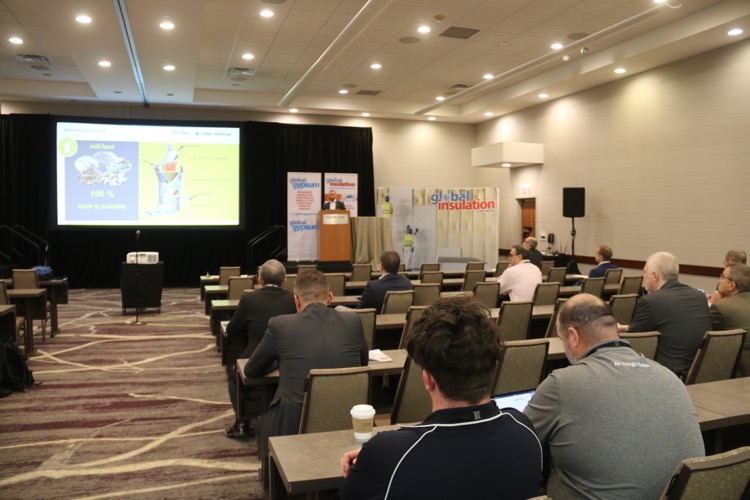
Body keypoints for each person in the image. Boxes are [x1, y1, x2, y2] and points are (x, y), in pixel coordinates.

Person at [340, 296, 543, 499]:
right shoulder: (524, 429)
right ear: (492, 369)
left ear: (428, 380)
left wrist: (375, 460)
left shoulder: (388, 453)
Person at [525, 293, 704, 499]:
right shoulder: (669, 376)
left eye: (562, 338)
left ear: (573, 336)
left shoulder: (561, 384)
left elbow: (518, 444)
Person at [243, 269, 368, 458]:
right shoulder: (353, 321)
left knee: (263, 423)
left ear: (296, 300)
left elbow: (251, 369)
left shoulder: (280, 325)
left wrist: (278, 360)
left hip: (294, 425)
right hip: (349, 418)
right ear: (330, 297)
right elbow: (362, 365)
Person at [223, 259, 296, 438]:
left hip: (258, 358)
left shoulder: (249, 298)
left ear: (260, 279)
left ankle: (241, 422)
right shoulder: (292, 299)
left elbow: (231, 330)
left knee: (234, 375)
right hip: (287, 357)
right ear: (284, 280)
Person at [618, 251, 711, 378]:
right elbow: (674, 326)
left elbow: (634, 341)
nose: (644, 277)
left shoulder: (650, 301)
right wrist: (626, 327)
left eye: (645, 272)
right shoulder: (699, 296)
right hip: (696, 371)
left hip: (667, 374)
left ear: (654, 276)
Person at [709, 262, 750, 377]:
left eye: (722, 277)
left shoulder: (721, 307)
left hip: (735, 374)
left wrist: (713, 303)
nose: (719, 280)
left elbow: (703, 339)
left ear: (732, 285)